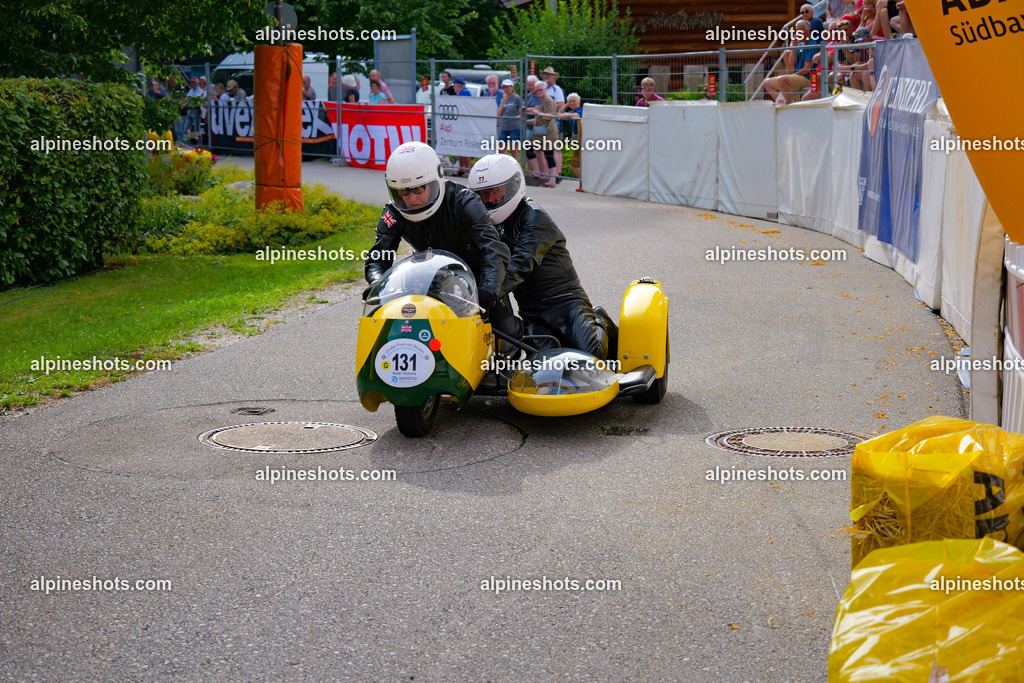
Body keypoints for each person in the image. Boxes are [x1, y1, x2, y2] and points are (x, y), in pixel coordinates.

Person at [468, 154, 617, 360]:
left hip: (566, 303)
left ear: (513, 185)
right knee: (545, 365)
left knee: (592, 354)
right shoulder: (485, 223)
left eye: (496, 192)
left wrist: (487, 293)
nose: (490, 200)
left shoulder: (535, 218)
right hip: (532, 313)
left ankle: (600, 320)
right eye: (484, 194)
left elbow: (520, 265)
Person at [363, 142, 517, 339]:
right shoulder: (393, 211)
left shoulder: (465, 202)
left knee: (506, 335)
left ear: (435, 179)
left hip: (477, 282)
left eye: (418, 189)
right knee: (405, 333)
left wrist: (489, 290)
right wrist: (378, 284)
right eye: (403, 192)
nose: (411, 199)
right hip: (428, 280)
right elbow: (378, 256)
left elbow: (494, 250)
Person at [763, 21, 816, 104]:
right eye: (797, 30)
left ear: (808, 30)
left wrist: (793, 75)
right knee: (767, 83)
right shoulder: (800, 45)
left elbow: (807, 69)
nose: (799, 33)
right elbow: (792, 63)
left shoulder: (812, 45)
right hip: (798, 76)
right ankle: (782, 101)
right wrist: (794, 46)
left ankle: (789, 104)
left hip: (807, 78)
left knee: (782, 80)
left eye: (801, 30)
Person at [526, 79, 557, 188]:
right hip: (541, 132)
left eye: (541, 90)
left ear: (545, 89)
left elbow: (549, 116)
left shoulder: (547, 100)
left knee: (548, 154)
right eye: (537, 90)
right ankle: (542, 174)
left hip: (548, 132)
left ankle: (548, 178)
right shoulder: (543, 100)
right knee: (532, 149)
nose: (539, 92)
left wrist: (538, 113)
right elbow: (540, 118)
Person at [557, 93, 583, 182]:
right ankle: (584, 182)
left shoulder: (580, 111)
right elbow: (559, 113)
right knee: (574, 165)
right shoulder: (571, 112)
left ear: (579, 102)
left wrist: (566, 115)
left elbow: (577, 116)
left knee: (576, 165)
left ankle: (585, 182)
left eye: (574, 101)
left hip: (583, 142)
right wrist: (567, 105)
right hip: (576, 142)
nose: (572, 103)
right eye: (570, 101)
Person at [497, 79, 523, 163]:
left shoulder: (517, 98)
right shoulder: (503, 99)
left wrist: (521, 116)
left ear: (512, 87)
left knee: (513, 150)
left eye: (507, 87)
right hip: (504, 127)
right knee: (500, 149)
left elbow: (522, 109)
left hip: (514, 127)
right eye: (504, 87)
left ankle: (517, 170)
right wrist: (502, 103)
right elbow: (498, 114)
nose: (505, 89)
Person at [452, 77, 473, 176]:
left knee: (465, 146)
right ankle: (462, 168)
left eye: (454, 85)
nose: (453, 87)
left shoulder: (465, 92)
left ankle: (467, 169)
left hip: (465, 124)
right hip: (461, 123)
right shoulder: (461, 93)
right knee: (460, 145)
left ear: (458, 85)